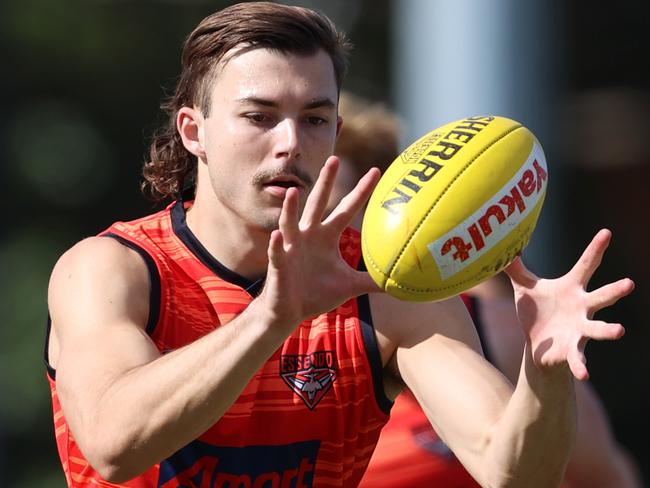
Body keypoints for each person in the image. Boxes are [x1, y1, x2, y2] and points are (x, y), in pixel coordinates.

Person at [44, 3, 634, 487]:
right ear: (194, 132)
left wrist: (545, 368)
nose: (290, 144)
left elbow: (512, 475)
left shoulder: (385, 286)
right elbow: (113, 446)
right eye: (259, 117)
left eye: (315, 119)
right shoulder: (111, 269)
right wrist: (273, 317)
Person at [333, 91, 643, 488]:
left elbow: (605, 480)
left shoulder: (501, 334)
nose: (321, 228)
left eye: (339, 208)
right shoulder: (253, 327)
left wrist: (543, 377)